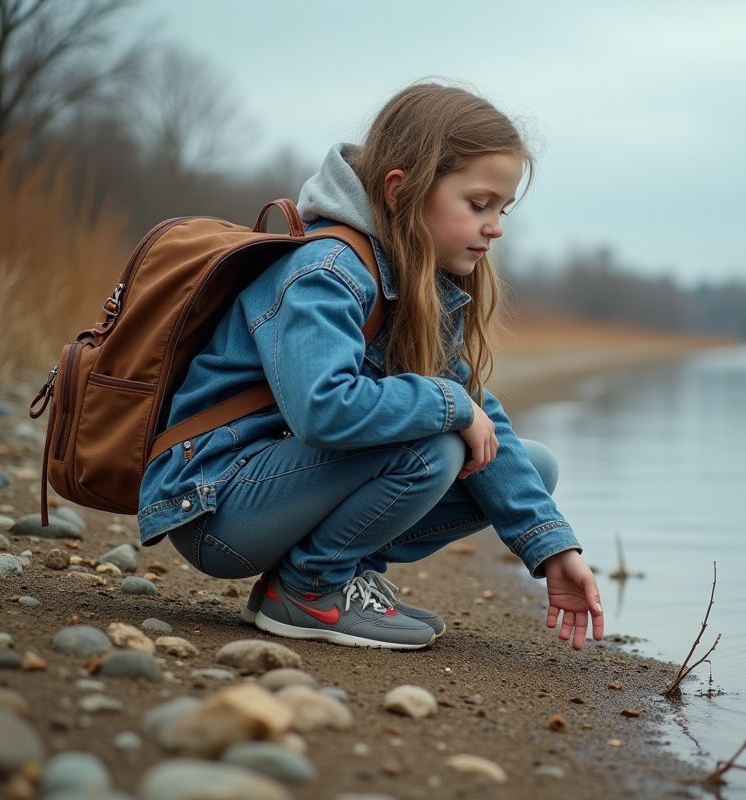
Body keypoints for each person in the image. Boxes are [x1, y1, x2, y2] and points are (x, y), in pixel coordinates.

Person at [136, 82, 604, 651]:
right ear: (400, 190)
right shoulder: (326, 273)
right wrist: (451, 405)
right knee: (436, 442)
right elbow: (323, 411)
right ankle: (310, 589)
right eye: (479, 204)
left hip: (280, 492)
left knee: (530, 463)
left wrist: (553, 547)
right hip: (218, 507)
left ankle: (331, 570)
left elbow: (479, 411)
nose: (496, 226)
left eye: (502, 209)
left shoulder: (422, 281)